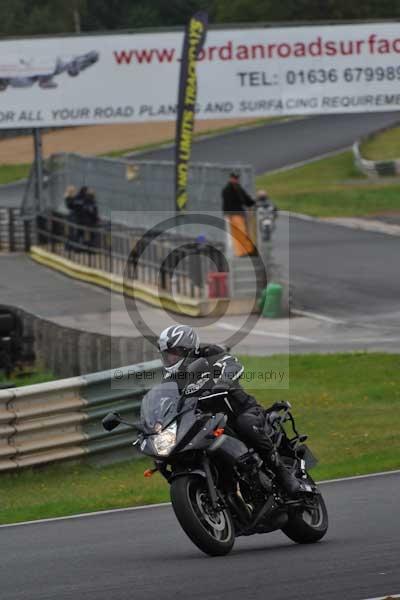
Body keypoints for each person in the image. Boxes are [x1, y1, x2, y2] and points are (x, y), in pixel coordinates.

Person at [157, 324, 304, 497]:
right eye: (167, 354)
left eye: (174, 353)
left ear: (188, 348)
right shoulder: (170, 379)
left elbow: (233, 366)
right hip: (207, 422)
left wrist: (223, 382)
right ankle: (226, 493)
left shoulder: (209, 353)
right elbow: (164, 402)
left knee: (245, 424)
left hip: (240, 411)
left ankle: (282, 474)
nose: (171, 358)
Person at [222, 171, 256, 257]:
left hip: (239, 213)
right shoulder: (228, 189)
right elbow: (226, 203)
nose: (235, 180)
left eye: (237, 178)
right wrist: (227, 214)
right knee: (240, 232)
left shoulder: (238, 188)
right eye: (234, 178)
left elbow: (245, 199)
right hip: (234, 214)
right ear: (231, 178)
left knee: (240, 232)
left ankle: (243, 251)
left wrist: (253, 203)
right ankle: (244, 251)